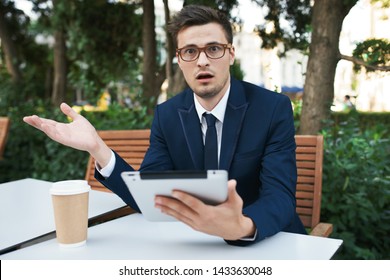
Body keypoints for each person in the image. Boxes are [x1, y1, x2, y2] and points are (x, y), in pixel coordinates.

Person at [23, 5, 306, 246]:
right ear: (179, 59)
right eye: (190, 51)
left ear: (231, 54)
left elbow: (279, 196)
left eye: (214, 49)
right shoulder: (168, 114)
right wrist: (99, 149)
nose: (203, 60)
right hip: (192, 247)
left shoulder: (271, 109)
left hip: (263, 244)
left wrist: (242, 227)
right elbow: (148, 195)